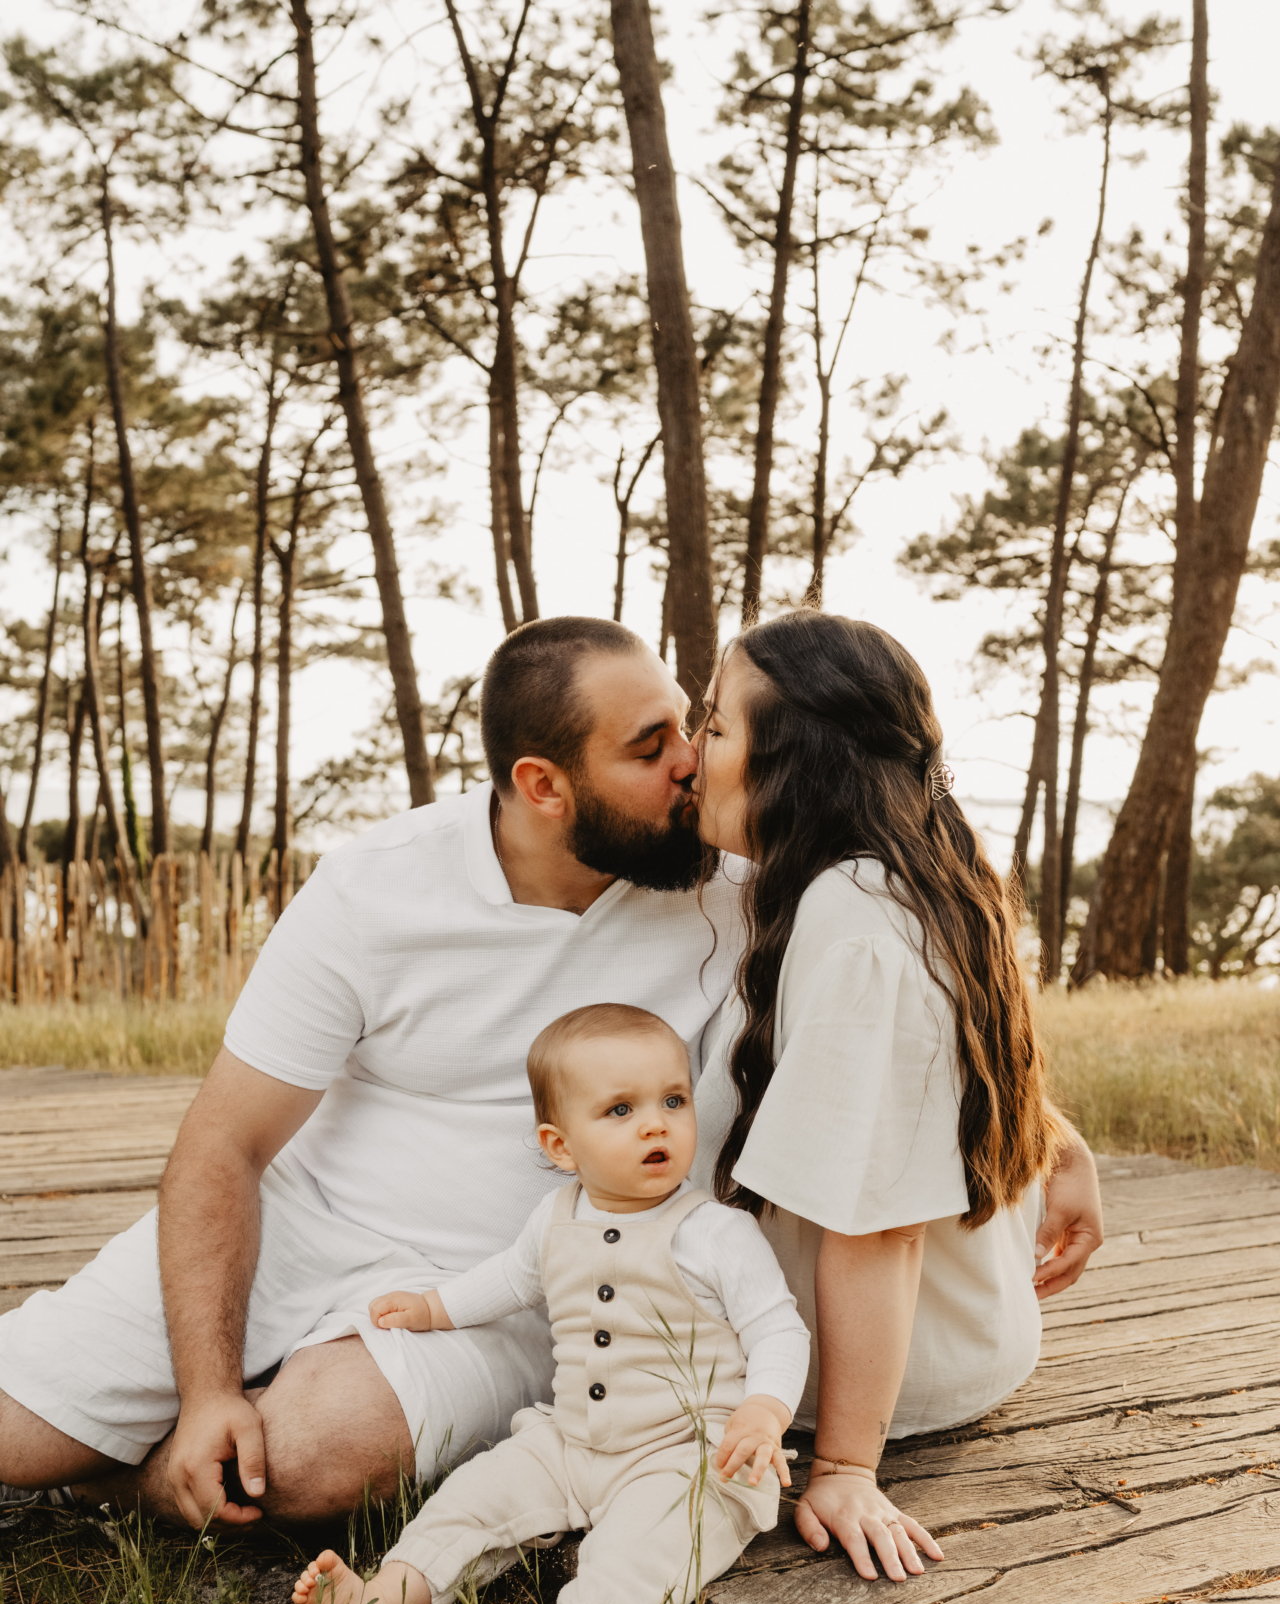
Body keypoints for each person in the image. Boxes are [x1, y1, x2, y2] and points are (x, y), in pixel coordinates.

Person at [0, 614, 1101, 1534]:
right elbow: (222, 1145)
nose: (685, 761)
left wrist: (1045, 1135)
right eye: (650, 744)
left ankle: (142, 1476)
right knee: (17, 1434)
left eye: (695, 726)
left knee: (299, 1460)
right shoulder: (376, 889)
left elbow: (905, 1015)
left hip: (530, 1283)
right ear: (543, 784)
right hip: (310, 1224)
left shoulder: (740, 867)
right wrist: (200, 1394)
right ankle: (171, 1422)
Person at [689, 610, 1099, 1582]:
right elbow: (932, 1069)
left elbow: (876, 1226)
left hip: (884, 1382)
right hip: (955, 1343)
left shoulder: (856, 919)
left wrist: (840, 1465)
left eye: (713, 726)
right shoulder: (906, 873)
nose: (688, 749)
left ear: (790, 765)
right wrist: (1058, 1147)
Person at [292, 1002, 809, 1604]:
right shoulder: (553, 1215)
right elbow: (507, 1281)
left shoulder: (715, 1232)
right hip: (571, 1440)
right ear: (560, 1146)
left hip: (691, 1455)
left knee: (645, 1553)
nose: (656, 1124)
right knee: (473, 1497)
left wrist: (765, 1409)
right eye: (621, 1109)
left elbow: (777, 1326)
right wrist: (433, 1308)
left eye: (673, 1100)